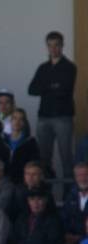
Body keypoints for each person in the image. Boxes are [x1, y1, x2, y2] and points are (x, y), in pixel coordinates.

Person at [28, 31, 76, 177]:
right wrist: (52, 86)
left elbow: (64, 90)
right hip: (44, 117)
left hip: (63, 117)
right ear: (47, 47)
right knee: (43, 159)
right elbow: (31, 90)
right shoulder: (43, 68)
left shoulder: (69, 67)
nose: (53, 49)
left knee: (66, 158)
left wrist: (45, 87)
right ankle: (44, 195)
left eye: (56, 45)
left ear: (62, 46)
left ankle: (68, 196)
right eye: (50, 46)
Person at [0, 109, 41, 184]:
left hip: (22, 182)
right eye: (14, 118)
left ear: (24, 123)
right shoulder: (1, 141)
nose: (17, 122)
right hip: (3, 181)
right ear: (10, 121)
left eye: (21, 119)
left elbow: (33, 163)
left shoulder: (31, 142)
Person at [62, 162, 88, 242]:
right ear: (75, 177)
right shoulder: (70, 195)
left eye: (85, 174)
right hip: (72, 240)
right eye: (79, 175)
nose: (83, 178)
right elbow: (65, 217)